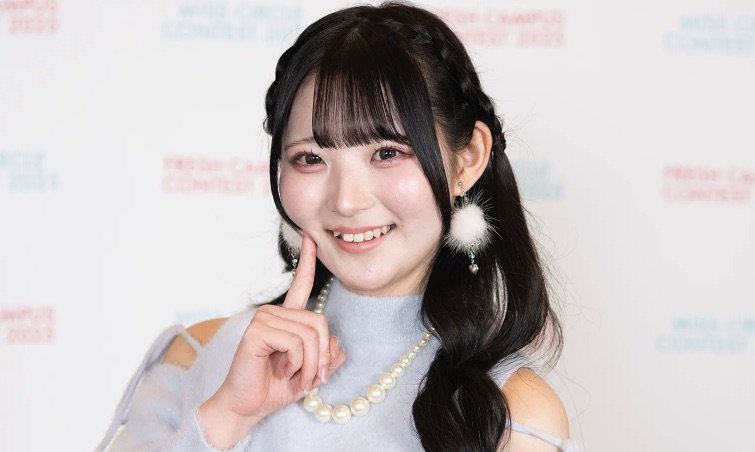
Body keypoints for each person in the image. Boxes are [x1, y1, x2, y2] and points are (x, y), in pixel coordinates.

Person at [96, 2, 578, 451]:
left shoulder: (507, 413)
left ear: (468, 158)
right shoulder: (199, 355)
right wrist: (227, 417)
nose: (347, 201)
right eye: (310, 158)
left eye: (387, 153)